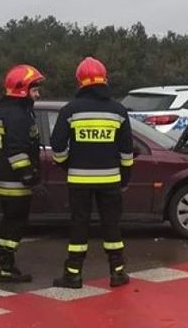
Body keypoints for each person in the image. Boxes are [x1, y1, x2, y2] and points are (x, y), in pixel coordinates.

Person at [50, 57, 136, 289]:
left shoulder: (70, 110)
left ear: (80, 82)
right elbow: (127, 150)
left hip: (79, 180)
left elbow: (57, 145)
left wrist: (66, 165)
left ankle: (73, 274)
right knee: (112, 225)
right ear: (104, 79)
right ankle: (117, 272)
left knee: (79, 225)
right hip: (110, 180)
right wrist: (125, 177)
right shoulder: (118, 110)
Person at [0, 64, 45, 283]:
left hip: (2, 177)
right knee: (15, 223)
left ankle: (2, 264)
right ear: (22, 89)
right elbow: (16, 149)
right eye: (35, 89)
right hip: (14, 181)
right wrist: (28, 175)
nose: (37, 94)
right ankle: (4, 268)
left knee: (9, 222)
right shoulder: (17, 115)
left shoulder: (3, 109)